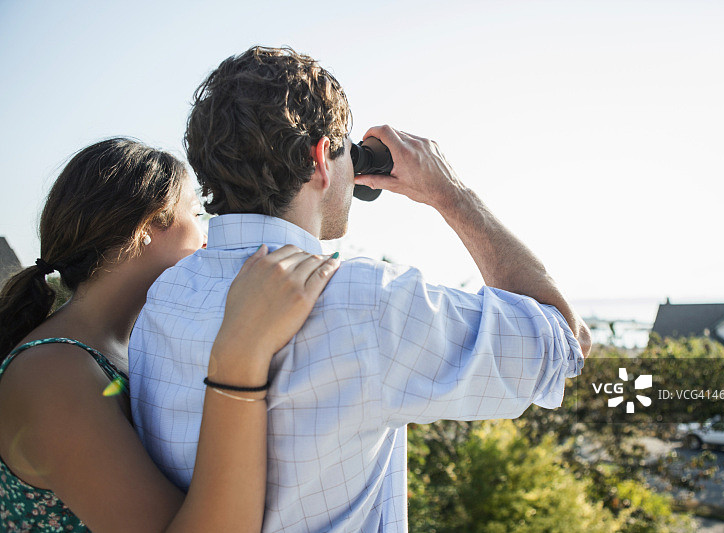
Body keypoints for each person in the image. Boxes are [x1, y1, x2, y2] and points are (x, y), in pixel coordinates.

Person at [130, 46, 592, 532]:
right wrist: (449, 192)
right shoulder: (365, 300)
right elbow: (563, 343)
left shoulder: (160, 299)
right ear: (320, 161)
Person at [0, 138, 340, 532]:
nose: (207, 239)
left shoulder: (126, 349)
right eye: (196, 214)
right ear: (148, 226)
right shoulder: (52, 375)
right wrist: (243, 348)